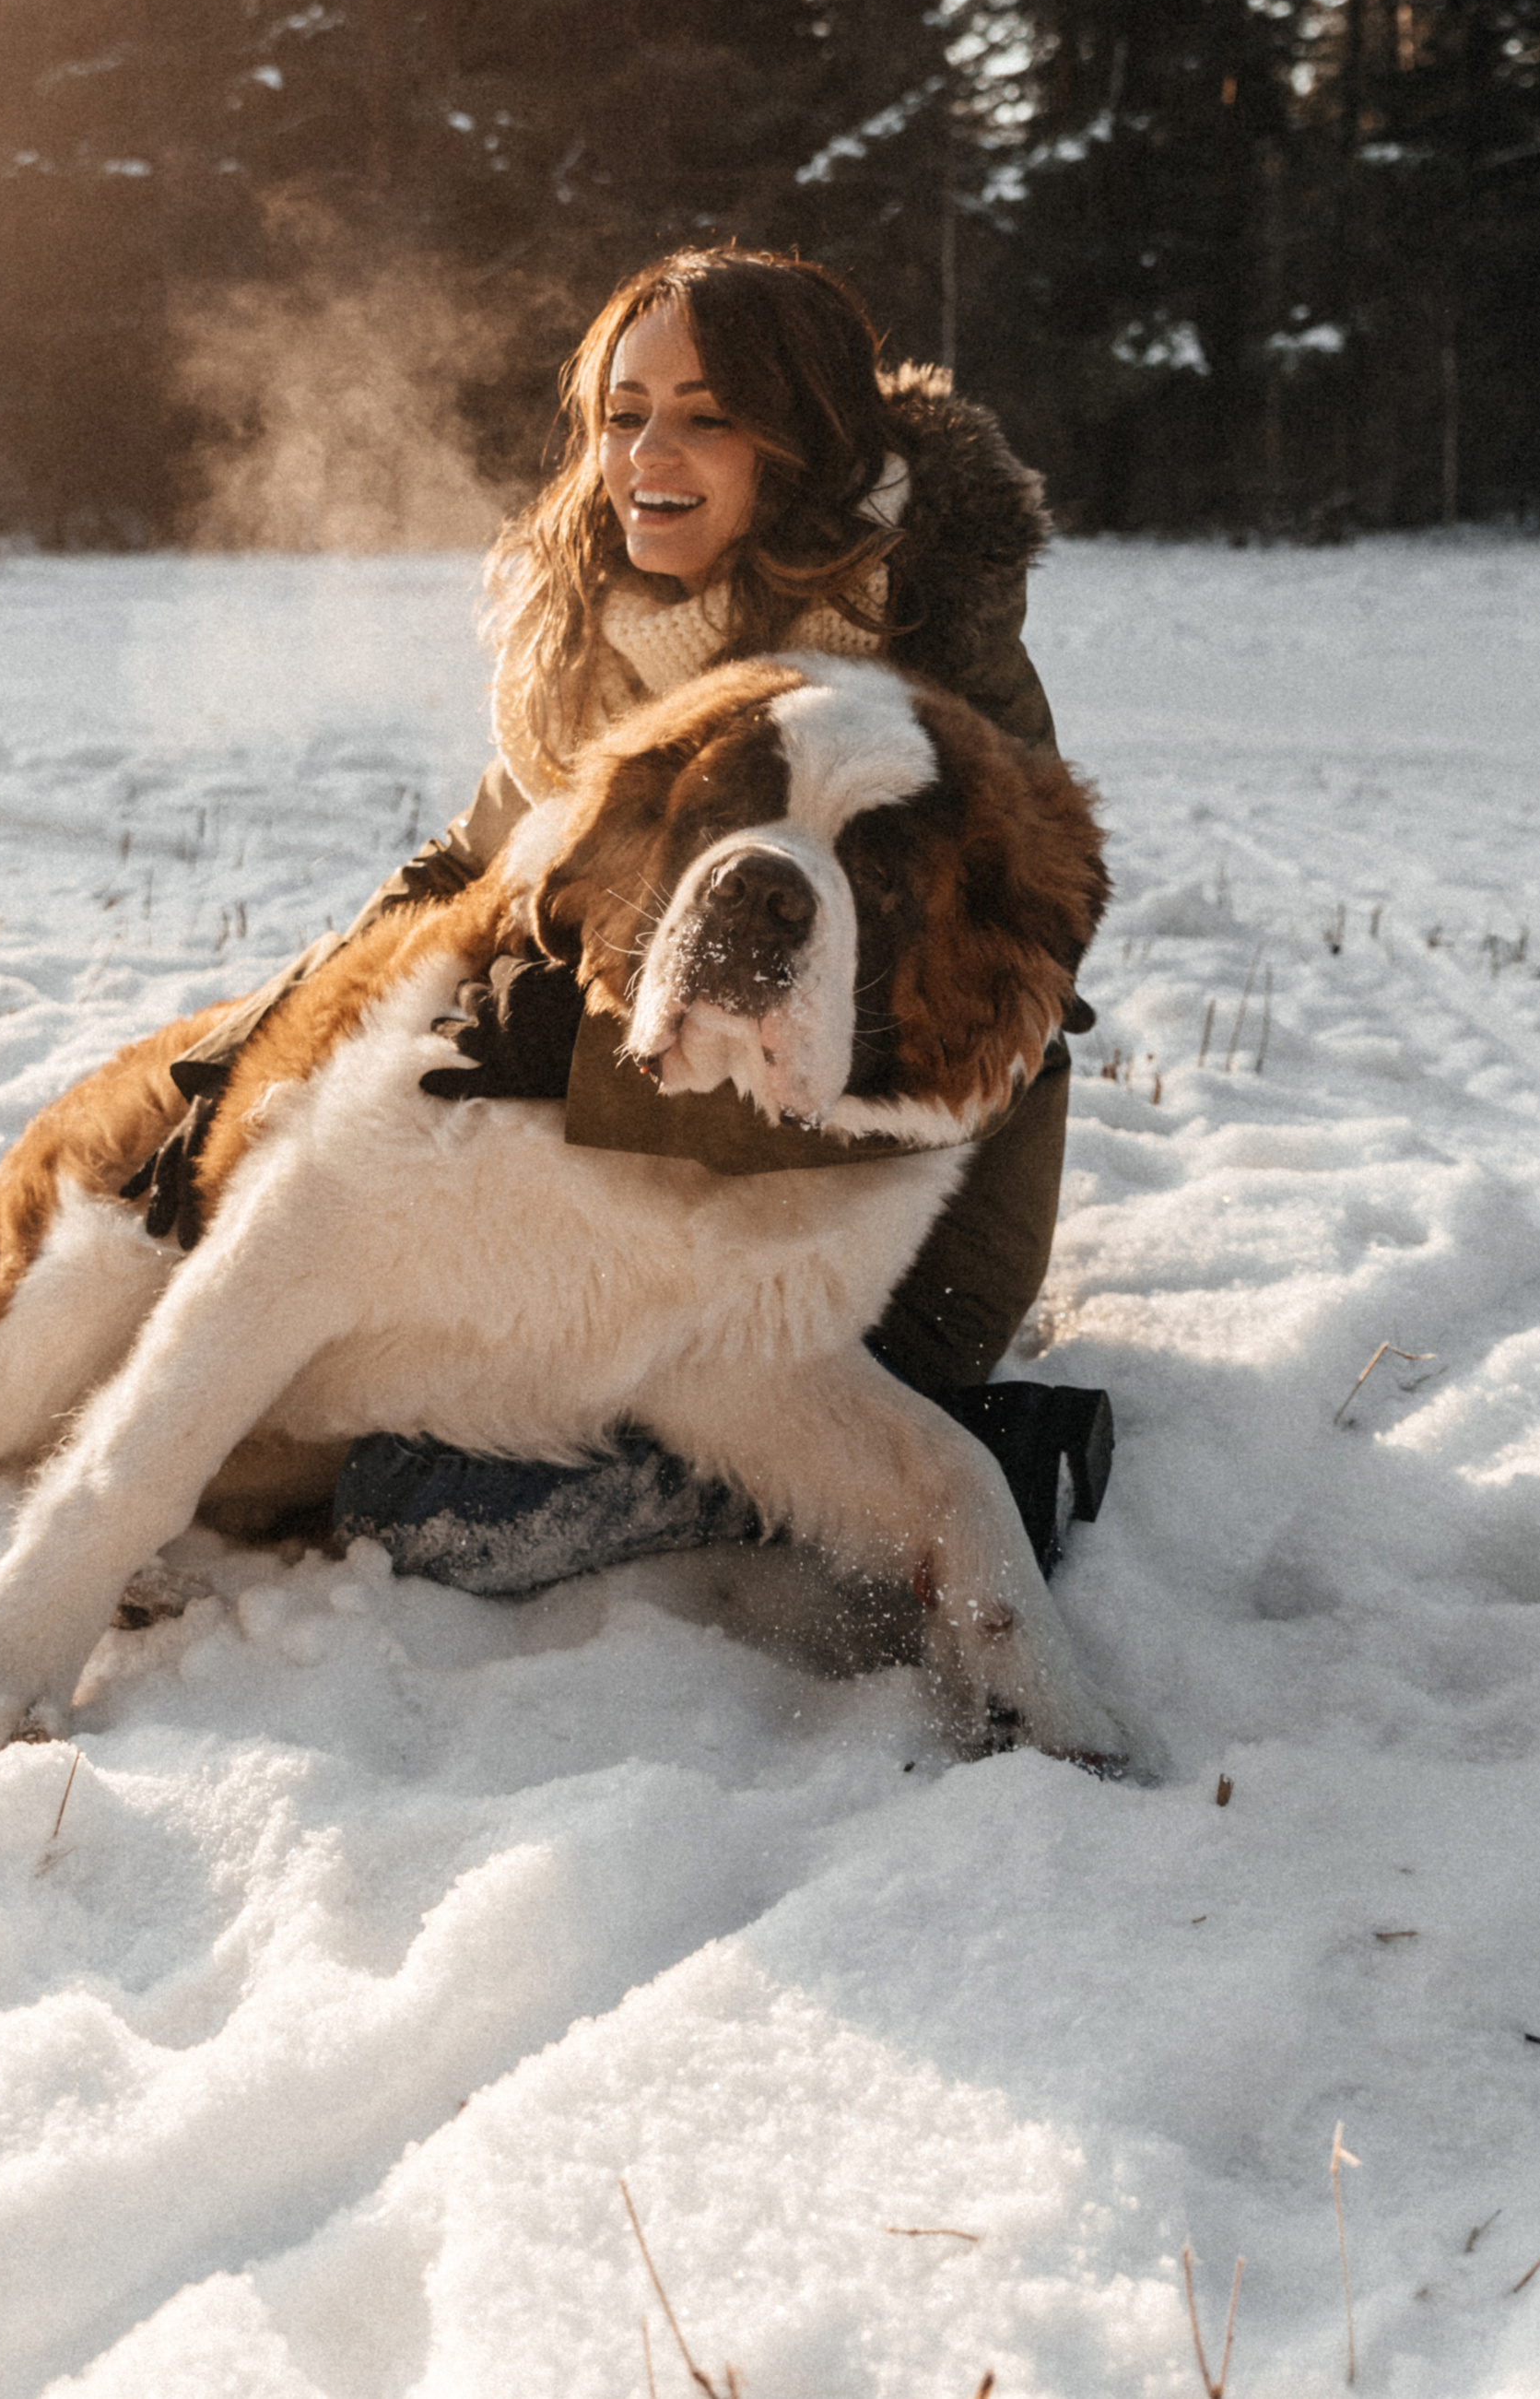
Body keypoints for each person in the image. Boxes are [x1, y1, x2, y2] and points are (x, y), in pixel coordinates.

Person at [139, 244, 1106, 1587]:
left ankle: (977, 1456)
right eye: (624, 412)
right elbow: (469, 867)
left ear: (806, 437)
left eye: (708, 415)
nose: (650, 450)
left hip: (887, 1234)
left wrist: (576, 1072)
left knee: (411, 1492)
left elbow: (1002, 999)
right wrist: (274, 1039)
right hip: (663, 1188)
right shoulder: (614, 632)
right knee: (295, 1365)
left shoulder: (926, 652)